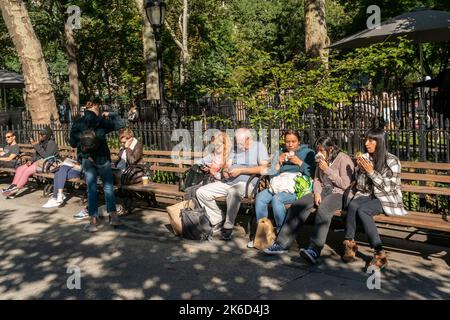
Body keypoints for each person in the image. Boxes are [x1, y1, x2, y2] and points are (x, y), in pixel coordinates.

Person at [264, 136, 355, 264]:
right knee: (297, 205)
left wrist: (327, 170)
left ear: (331, 148)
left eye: (322, 150)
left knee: (324, 209)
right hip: (323, 191)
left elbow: (346, 184)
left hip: (339, 193)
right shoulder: (320, 159)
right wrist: (317, 193)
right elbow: (317, 179)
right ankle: (281, 244)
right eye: (318, 150)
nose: (319, 153)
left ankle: (314, 249)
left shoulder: (343, 159)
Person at [342, 128, 407, 270]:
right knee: (353, 206)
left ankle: (379, 253)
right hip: (368, 194)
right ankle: (349, 243)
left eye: (371, 140)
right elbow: (361, 187)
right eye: (366, 140)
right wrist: (361, 171)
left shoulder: (392, 161)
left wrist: (371, 172)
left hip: (386, 197)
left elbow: (388, 189)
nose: (366, 143)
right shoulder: (365, 158)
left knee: (364, 210)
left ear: (380, 142)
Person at [196, 128, 270, 240]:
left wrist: (241, 170)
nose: (238, 146)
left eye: (240, 143)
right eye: (237, 143)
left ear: (248, 139)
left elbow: (264, 168)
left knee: (233, 191)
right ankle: (218, 218)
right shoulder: (235, 149)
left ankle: (228, 225)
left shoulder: (259, 147)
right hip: (228, 182)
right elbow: (227, 165)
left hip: (247, 184)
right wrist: (225, 171)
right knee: (201, 192)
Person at [69, 100, 125, 232]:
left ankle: (93, 222)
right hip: (103, 159)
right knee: (108, 187)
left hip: (88, 160)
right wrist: (110, 113)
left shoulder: (79, 122)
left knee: (91, 189)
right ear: (95, 106)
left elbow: (72, 142)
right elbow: (120, 124)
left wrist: (83, 150)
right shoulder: (101, 121)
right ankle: (113, 217)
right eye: (98, 107)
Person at [252, 130, 315, 239]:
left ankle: (282, 235)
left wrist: (299, 162)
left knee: (277, 199)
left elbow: (312, 173)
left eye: (293, 141)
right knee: (260, 197)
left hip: (296, 186)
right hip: (278, 184)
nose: (290, 144)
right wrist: (278, 162)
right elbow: (271, 173)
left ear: (299, 141)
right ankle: (263, 234)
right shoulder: (280, 152)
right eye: (287, 141)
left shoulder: (308, 152)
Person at [2, 127, 58, 198]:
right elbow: (36, 154)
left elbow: (46, 156)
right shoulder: (41, 143)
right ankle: (12, 187)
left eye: (41, 134)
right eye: (40, 134)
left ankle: (15, 190)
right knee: (20, 169)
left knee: (27, 171)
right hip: (38, 163)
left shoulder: (51, 143)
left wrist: (36, 145)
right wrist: (30, 160)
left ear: (46, 135)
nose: (39, 136)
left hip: (47, 164)